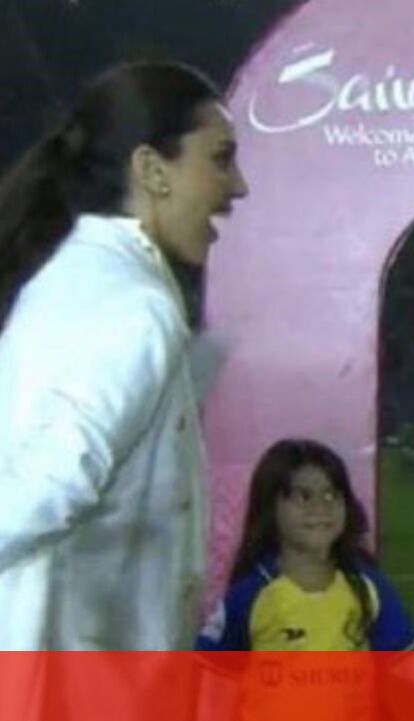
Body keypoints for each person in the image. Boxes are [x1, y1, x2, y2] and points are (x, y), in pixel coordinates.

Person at [0, 61, 248, 651]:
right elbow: (47, 482)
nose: (238, 186)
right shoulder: (134, 306)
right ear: (152, 170)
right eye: (220, 158)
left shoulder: (78, 275)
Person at [196, 439, 414, 720]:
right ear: (270, 506)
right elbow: (215, 688)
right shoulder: (249, 595)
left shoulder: (366, 585)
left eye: (331, 495)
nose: (320, 507)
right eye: (303, 496)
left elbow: (412, 666)